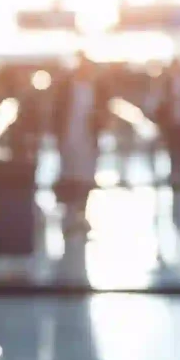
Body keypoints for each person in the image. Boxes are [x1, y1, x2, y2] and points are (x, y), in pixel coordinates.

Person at [53, 55, 107, 236]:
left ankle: (81, 213)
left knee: (85, 176)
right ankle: (70, 214)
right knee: (70, 174)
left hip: (88, 138)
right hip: (69, 137)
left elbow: (103, 112)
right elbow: (57, 112)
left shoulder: (96, 88)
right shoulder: (67, 87)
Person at [152, 59, 180, 188]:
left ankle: (179, 172)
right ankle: (174, 172)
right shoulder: (166, 82)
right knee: (172, 147)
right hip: (170, 121)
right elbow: (160, 101)